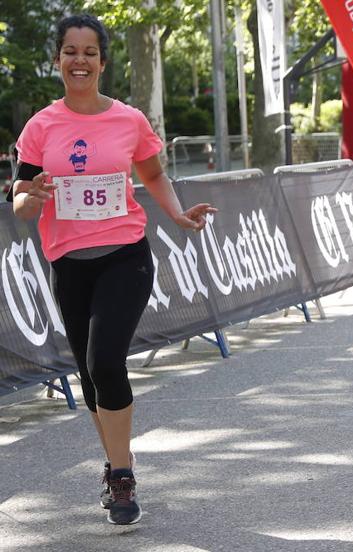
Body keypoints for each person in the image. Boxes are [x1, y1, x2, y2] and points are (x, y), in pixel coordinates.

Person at [7, 14, 216, 525]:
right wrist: (28, 196)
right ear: (57, 60)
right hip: (68, 264)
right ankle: (117, 464)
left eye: (90, 52)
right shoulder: (40, 126)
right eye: (70, 51)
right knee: (90, 377)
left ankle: (121, 477)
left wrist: (177, 213)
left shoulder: (128, 120)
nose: (80, 60)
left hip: (125, 255)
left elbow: (153, 173)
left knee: (104, 362)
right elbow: (21, 202)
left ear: (103, 61)